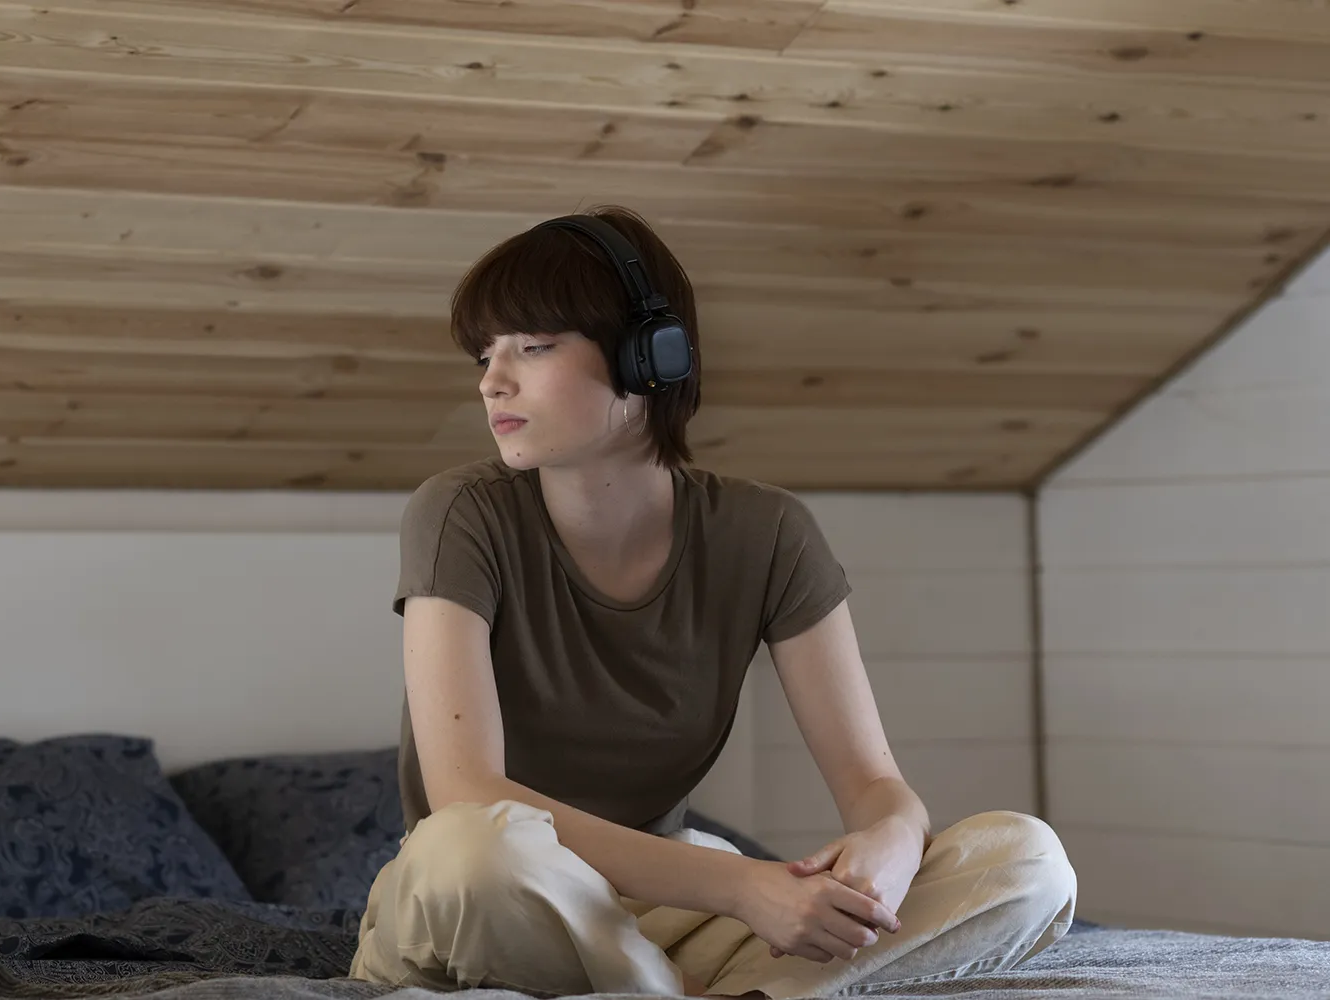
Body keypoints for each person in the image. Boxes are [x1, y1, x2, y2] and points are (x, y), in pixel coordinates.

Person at [348, 206, 1076, 999]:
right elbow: (467, 792)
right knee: (475, 850)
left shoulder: (768, 532)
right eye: (485, 353)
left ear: (649, 357)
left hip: (672, 909)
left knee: (1024, 859)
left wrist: (892, 843)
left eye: (534, 345)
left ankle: (675, 986)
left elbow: (874, 783)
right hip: (491, 900)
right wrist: (741, 887)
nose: (493, 379)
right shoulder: (460, 513)